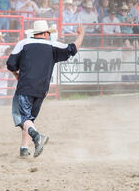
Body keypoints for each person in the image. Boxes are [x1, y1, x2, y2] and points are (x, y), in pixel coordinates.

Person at [6, 20, 85, 158]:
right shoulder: (53, 46)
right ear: (45, 33)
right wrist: (81, 34)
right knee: (29, 119)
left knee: (22, 117)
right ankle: (24, 148)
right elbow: (73, 48)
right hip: (42, 89)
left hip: (25, 86)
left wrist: (16, 74)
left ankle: (37, 137)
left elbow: (11, 64)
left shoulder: (23, 43)